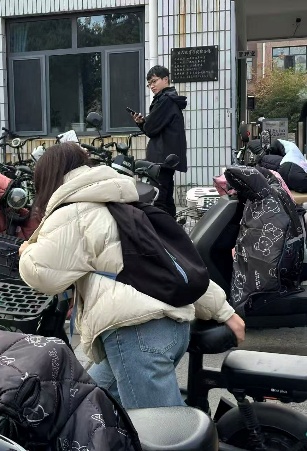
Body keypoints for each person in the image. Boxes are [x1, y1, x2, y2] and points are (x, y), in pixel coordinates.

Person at [18, 143, 245, 409]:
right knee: (89, 406)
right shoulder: (125, 204)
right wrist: (223, 311)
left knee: (162, 429)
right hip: (169, 329)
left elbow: (41, 275)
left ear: (47, 179)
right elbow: (174, 266)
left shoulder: (73, 213)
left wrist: (26, 250)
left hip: (136, 335)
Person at [132, 65, 187, 217]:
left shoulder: (165, 100)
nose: (152, 86)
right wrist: (143, 123)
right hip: (167, 156)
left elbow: (150, 129)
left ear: (165, 79)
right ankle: (173, 228)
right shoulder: (169, 99)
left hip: (162, 157)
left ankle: (162, 230)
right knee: (166, 197)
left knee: (159, 199)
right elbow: (153, 129)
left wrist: (143, 123)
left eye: (154, 81)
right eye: (149, 83)